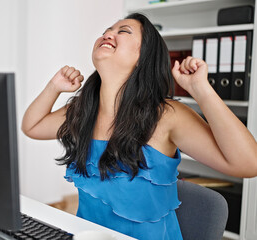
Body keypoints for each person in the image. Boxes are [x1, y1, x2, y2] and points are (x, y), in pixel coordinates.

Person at [21, 13, 257, 240]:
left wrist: (201, 89)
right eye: (106, 31)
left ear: (144, 56)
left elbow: (248, 164)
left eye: (123, 31)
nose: (108, 34)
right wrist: (54, 86)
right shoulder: (83, 110)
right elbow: (32, 127)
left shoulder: (167, 116)